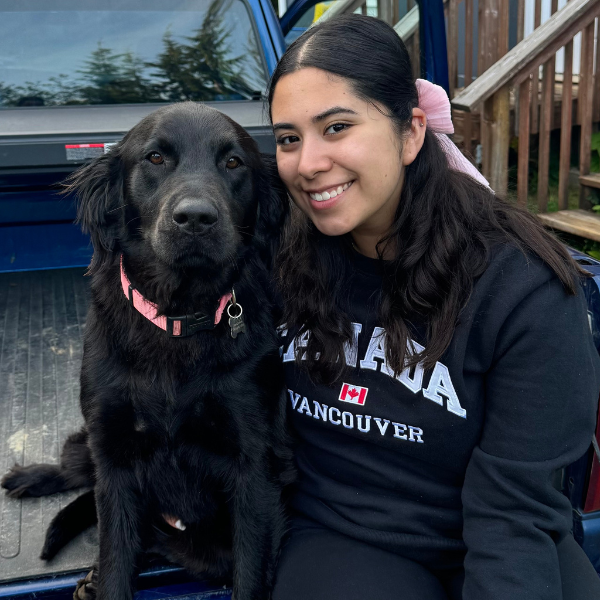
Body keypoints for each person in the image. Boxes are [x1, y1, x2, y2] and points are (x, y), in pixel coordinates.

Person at [267, 13, 600, 600]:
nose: (307, 163)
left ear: (412, 131)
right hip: (344, 536)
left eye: (337, 127)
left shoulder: (521, 287)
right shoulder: (275, 261)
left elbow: (516, 509)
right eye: (288, 138)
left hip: (501, 528)